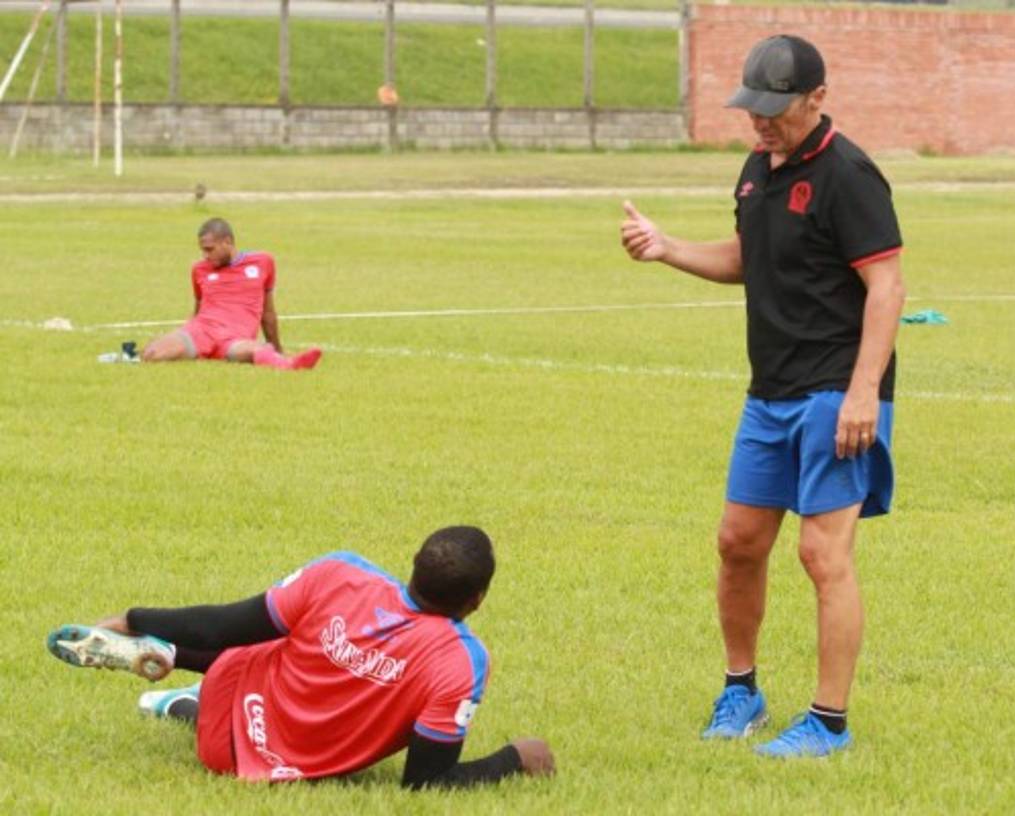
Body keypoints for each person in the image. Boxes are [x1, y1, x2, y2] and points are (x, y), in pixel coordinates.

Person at [620, 34, 906, 758]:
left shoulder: (849, 173)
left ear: (818, 98)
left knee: (822, 556)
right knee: (737, 543)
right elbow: (751, 259)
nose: (762, 122)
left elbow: (887, 286)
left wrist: (863, 393)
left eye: (776, 110)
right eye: (754, 109)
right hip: (769, 390)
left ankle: (828, 724)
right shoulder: (756, 170)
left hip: (835, 391)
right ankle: (741, 692)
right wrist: (668, 247)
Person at [46, 526, 555, 788]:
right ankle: (175, 696)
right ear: (478, 599)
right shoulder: (460, 661)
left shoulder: (341, 574)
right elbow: (426, 783)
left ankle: (174, 657)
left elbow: (226, 625)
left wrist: (134, 617)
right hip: (258, 762)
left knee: (286, 635)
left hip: (229, 712)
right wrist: (515, 760)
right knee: (307, 652)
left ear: (414, 567)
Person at [140, 218, 322, 370]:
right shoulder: (199, 269)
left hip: (235, 338)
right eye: (203, 249)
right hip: (202, 332)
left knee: (257, 351)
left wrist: (277, 348)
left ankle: (289, 364)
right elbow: (198, 310)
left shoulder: (263, 262)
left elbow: (268, 313)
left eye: (210, 249)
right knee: (153, 354)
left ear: (227, 242)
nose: (205, 255)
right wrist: (182, 335)